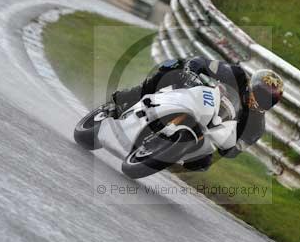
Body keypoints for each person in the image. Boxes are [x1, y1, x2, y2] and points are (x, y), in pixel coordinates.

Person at [111, 57, 284, 171]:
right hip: (199, 95)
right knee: (175, 66)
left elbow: (233, 151)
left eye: (267, 100)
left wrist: (229, 146)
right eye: (259, 94)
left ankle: (168, 152)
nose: (259, 100)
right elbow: (203, 63)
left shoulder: (256, 126)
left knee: (203, 163)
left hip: (211, 129)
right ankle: (131, 95)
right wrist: (192, 71)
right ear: (251, 85)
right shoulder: (236, 75)